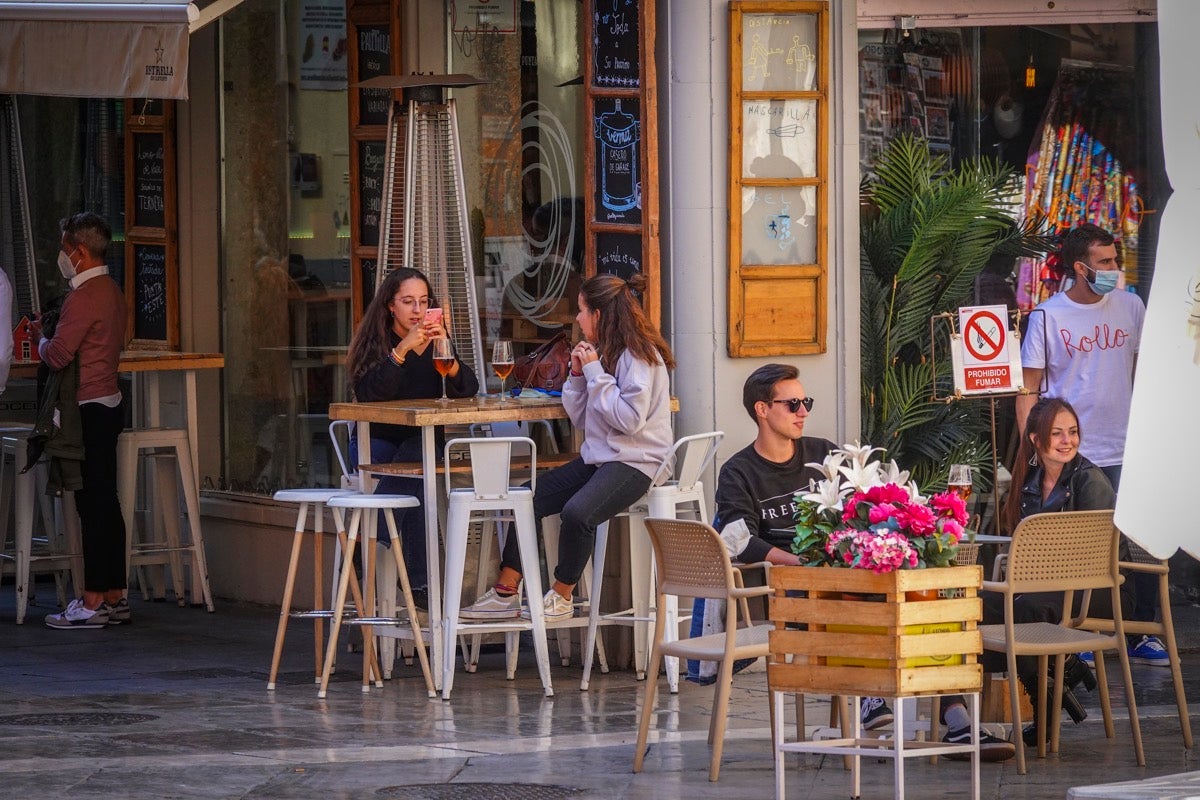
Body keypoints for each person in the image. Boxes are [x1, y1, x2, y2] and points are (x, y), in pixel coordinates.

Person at [460, 272, 673, 622]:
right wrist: (577, 375)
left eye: (582, 310)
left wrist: (594, 375)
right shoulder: (603, 354)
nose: (577, 318)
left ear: (599, 315)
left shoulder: (638, 356)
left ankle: (561, 596)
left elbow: (629, 420)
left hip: (639, 462)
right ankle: (505, 592)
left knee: (577, 513)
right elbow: (582, 419)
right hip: (602, 459)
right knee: (528, 497)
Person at [1017, 224, 1164, 666]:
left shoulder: (1131, 306)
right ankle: (1071, 629)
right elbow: (1028, 389)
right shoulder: (1048, 316)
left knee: (1139, 539)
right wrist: (1034, 450)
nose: (1114, 270)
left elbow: (1143, 371)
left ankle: (1144, 629)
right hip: (1070, 451)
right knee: (1073, 547)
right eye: (1104, 263)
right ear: (1080, 268)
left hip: (1127, 445)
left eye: (1114, 260)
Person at [943, 396, 1117, 751]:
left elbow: (1093, 553)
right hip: (1041, 589)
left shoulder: (1090, 480)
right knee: (962, 607)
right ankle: (957, 714)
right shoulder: (1030, 483)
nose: (1067, 440)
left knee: (1020, 611)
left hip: (1095, 588)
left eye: (1072, 432)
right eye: (1057, 433)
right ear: (1036, 439)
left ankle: (1047, 696)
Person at [344, 267, 479, 604]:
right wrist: (402, 349)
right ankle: (418, 584)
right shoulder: (377, 341)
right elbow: (370, 393)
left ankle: (370, 538)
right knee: (422, 470)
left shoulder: (436, 340)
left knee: (422, 456)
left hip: (419, 442)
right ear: (391, 305)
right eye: (408, 301)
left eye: (423, 301)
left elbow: (468, 390)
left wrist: (448, 356)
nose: (418, 310)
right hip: (373, 441)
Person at [41, 212, 129, 630]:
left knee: (90, 502)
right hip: (110, 401)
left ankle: (92, 600)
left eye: (64, 249)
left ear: (78, 251)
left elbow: (59, 354)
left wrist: (41, 340)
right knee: (106, 501)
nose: (61, 256)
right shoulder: (113, 290)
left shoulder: (85, 295)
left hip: (87, 409)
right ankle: (115, 594)